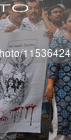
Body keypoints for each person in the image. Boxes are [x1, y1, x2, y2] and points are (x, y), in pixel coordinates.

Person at [45, 10, 71, 140]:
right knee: (60, 119)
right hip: (62, 89)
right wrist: (50, 87)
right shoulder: (59, 42)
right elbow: (53, 65)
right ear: (65, 24)